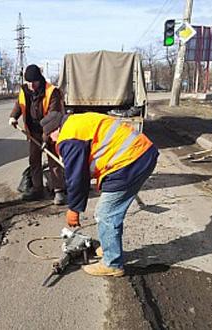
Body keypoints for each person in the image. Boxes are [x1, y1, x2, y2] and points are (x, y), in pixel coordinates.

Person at [40, 111, 158, 277]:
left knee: (105, 213)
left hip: (130, 161)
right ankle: (111, 249)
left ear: (55, 130)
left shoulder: (69, 137)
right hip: (140, 154)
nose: (53, 141)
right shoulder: (77, 122)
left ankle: (112, 263)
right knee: (111, 211)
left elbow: (77, 178)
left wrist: (74, 209)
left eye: (51, 137)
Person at [9, 64, 66, 204]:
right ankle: (37, 189)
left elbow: (54, 116)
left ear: (39, 80)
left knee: (53, 160)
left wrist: (46, 139)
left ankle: (58, 191)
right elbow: (19, 104)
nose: (31, 85)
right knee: (34, 160)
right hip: (33, 131)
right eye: (29, 82)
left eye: (34, 82)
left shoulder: (52, 92)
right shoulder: (25, 90)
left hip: (50, 130)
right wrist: (13, 116)